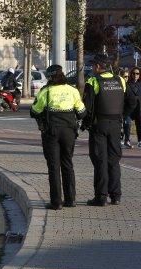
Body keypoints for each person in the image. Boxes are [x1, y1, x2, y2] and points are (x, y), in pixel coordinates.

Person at [30, 64, 86, 210]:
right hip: (69, 132)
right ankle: (70, 200)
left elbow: (35, 111)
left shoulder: (46, 91)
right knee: (68, 164)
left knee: (54, 167)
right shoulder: (72, 90)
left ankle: (56, 202)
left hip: (52, 132)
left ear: (50, 77)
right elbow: (81, 111)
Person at [82, 54, 135, 206]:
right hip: (116, 125)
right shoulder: (120, 80)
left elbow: (88, 107)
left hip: (99, 126)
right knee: (114, 160)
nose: (92, 68)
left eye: (93, 65)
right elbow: (132, 101)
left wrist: (86, 124)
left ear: (99, 66)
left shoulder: (93, 81)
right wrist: (123, 115)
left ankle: (100, 197)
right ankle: (116, 196)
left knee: (100, 161)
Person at [125, 66, 141, 148]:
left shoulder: (140, 84)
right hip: (129, 109)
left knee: (139, 125)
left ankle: (140, 141)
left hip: (138, 109)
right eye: (134, 73)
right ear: (131, 74)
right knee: (127, 124)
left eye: (137, 73)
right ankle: (127, 141)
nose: (135, 75)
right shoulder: (127, 84)